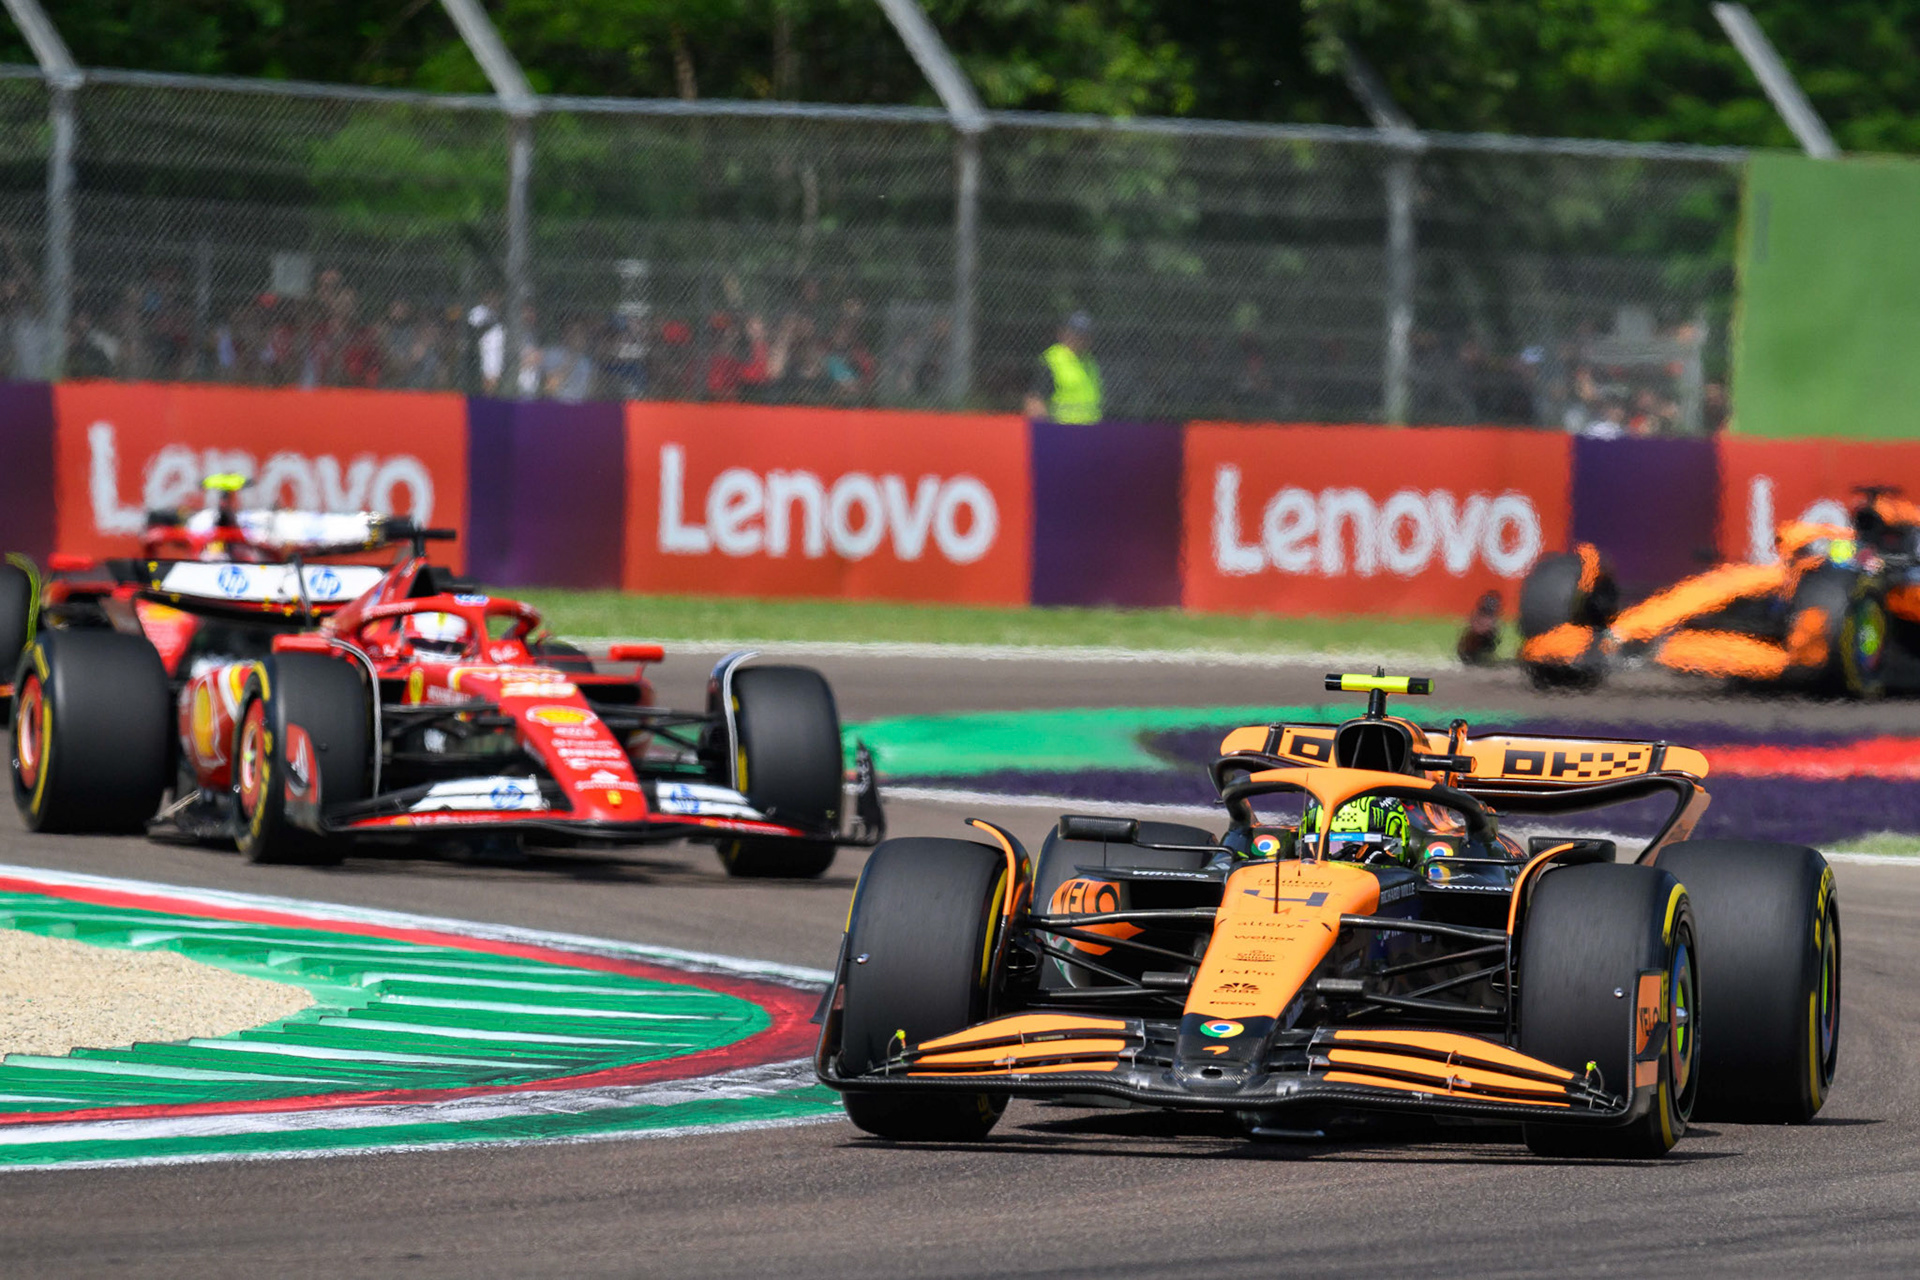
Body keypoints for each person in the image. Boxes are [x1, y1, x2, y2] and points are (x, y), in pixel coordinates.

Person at [1024, 311, 1102, 423]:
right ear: (1064, 333)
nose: (1083, 338)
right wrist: (1047, 430)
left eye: (1086, 334)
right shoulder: (1053, 359)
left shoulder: (1090, 361)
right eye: (1077, 333)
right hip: (1062, 431)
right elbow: (1035, 401)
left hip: (1091, 431)